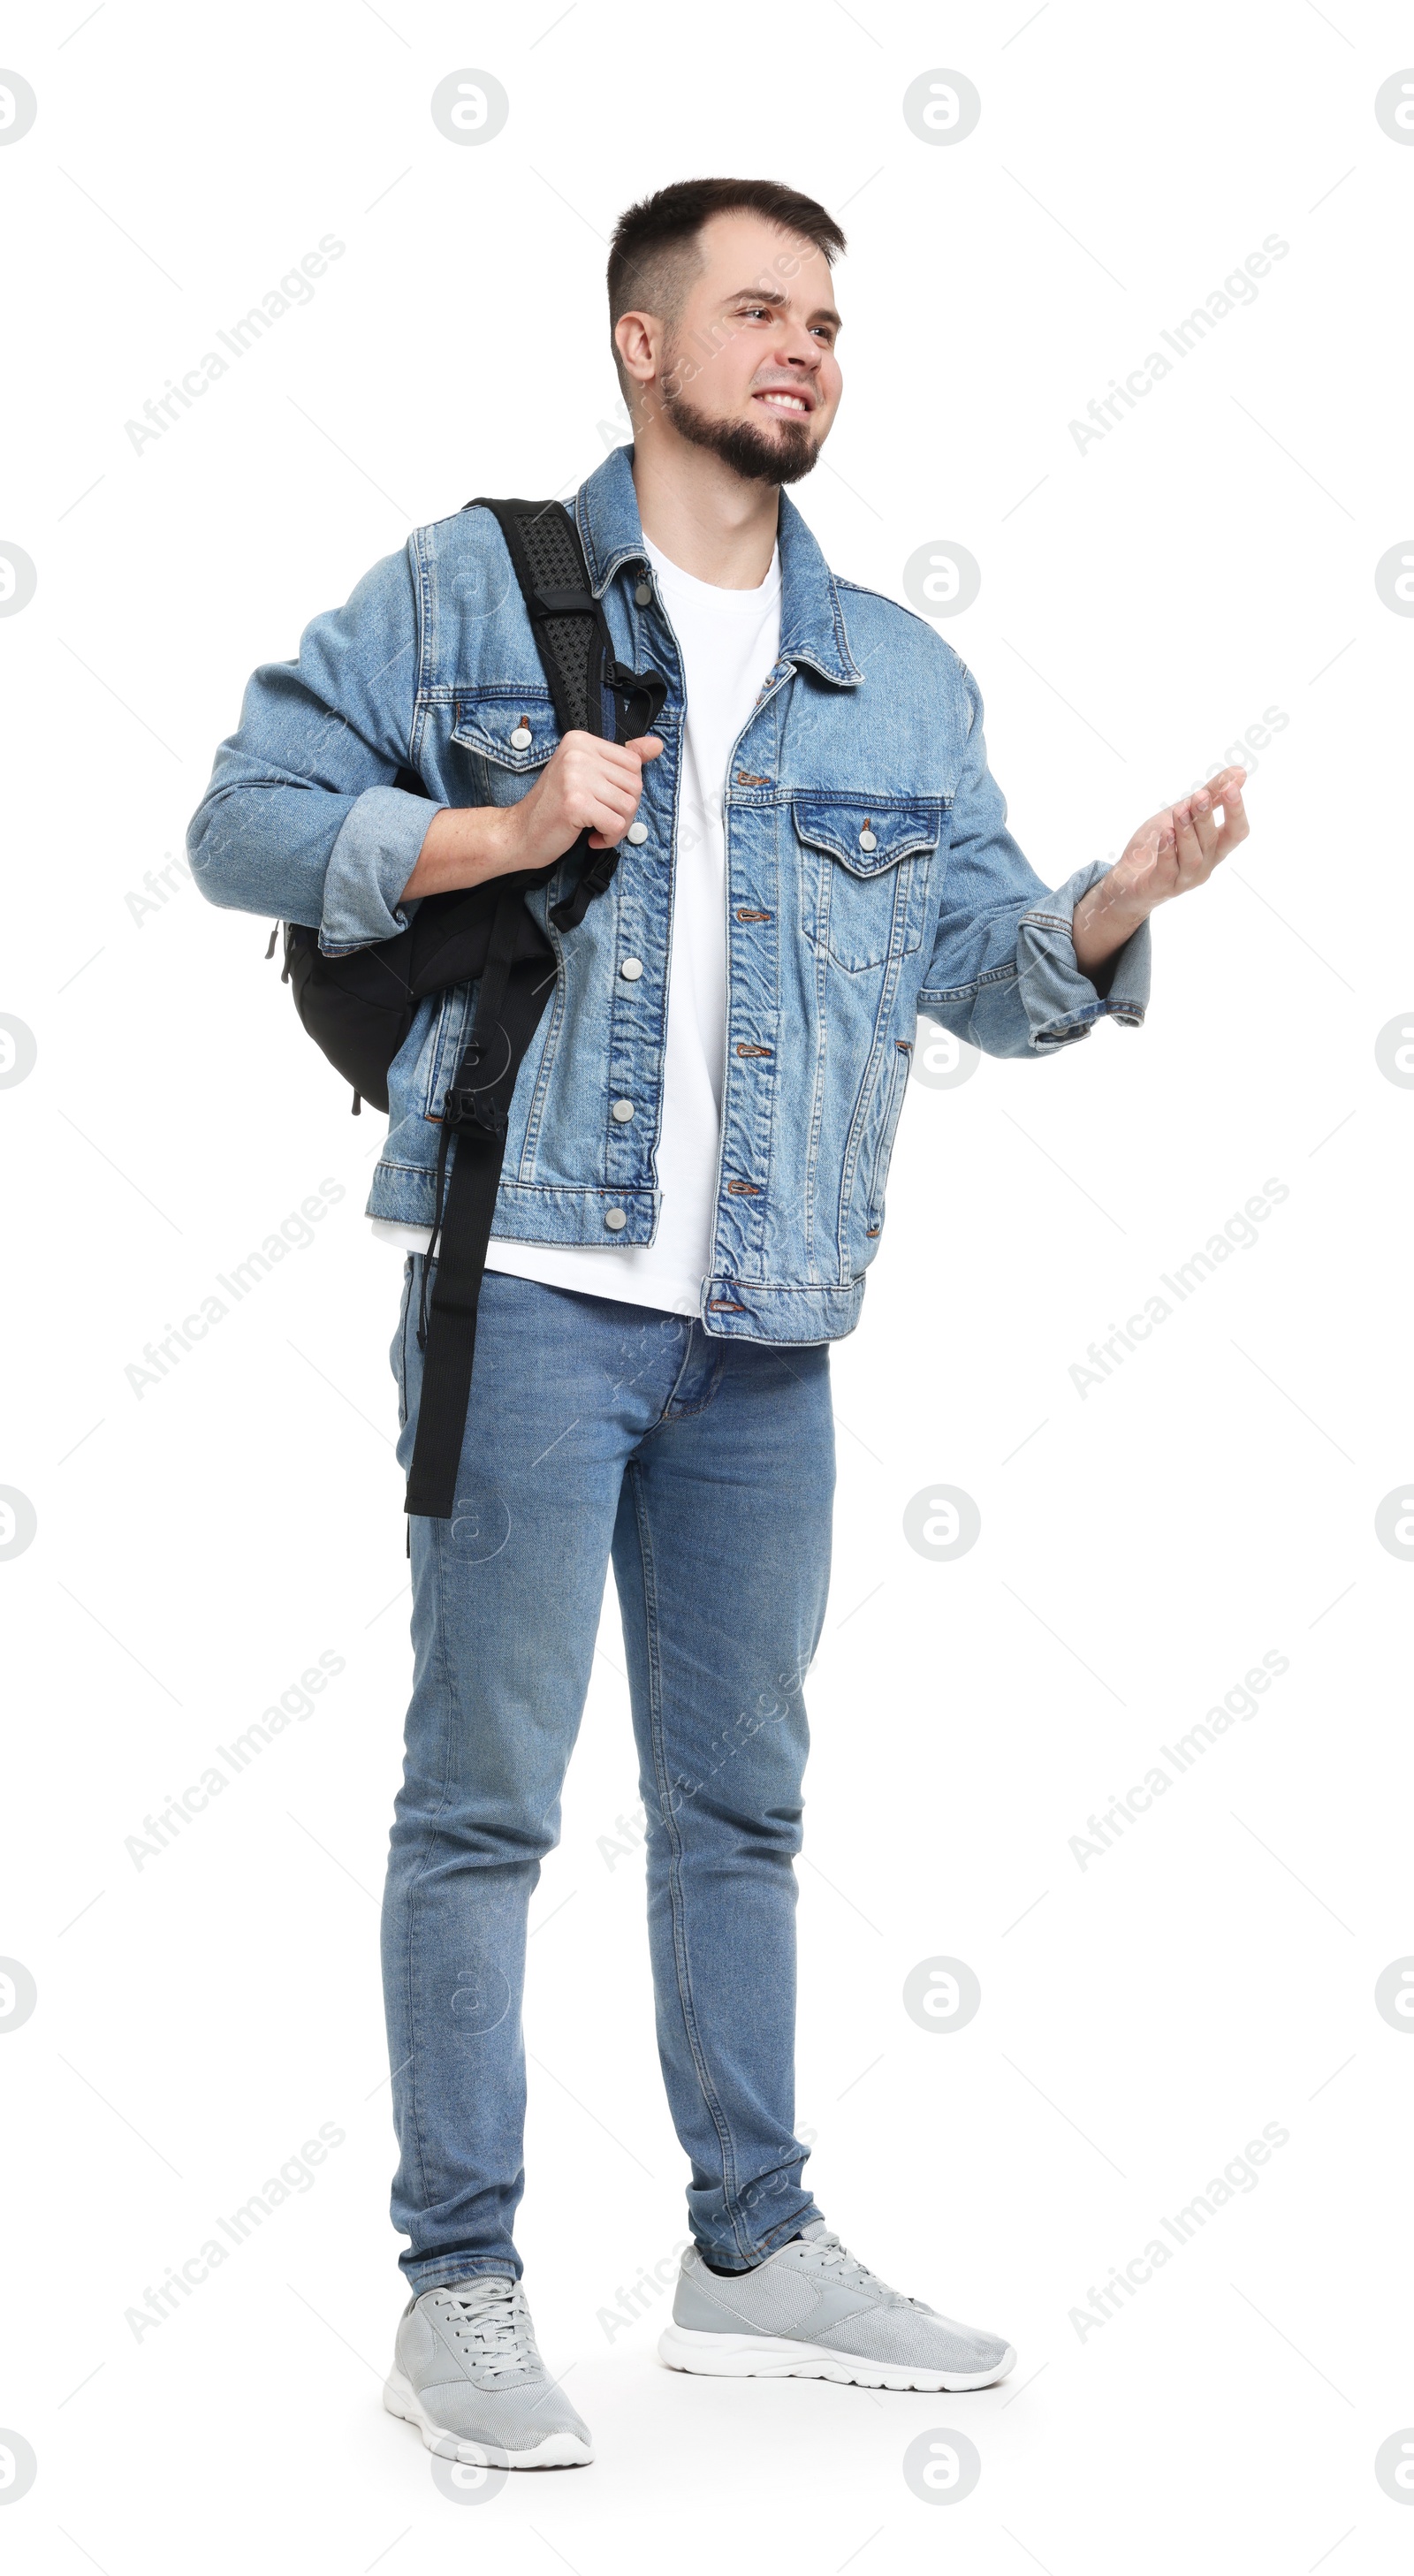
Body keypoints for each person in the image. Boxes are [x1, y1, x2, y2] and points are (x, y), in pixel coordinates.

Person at [188, 176, 1248, 2470]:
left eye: (834, 324)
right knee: (480, 1803)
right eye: (761, 313)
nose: (808, 352)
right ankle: (457, 2286)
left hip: (768, 1332)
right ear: (642, 347)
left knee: (742, 1804)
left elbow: (982, 963)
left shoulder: (903, 673)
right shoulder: (477, 591)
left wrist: (1104, 907)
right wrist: (490, 826)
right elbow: (245, 821)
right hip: (539, 1295)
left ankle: (746, 2249)